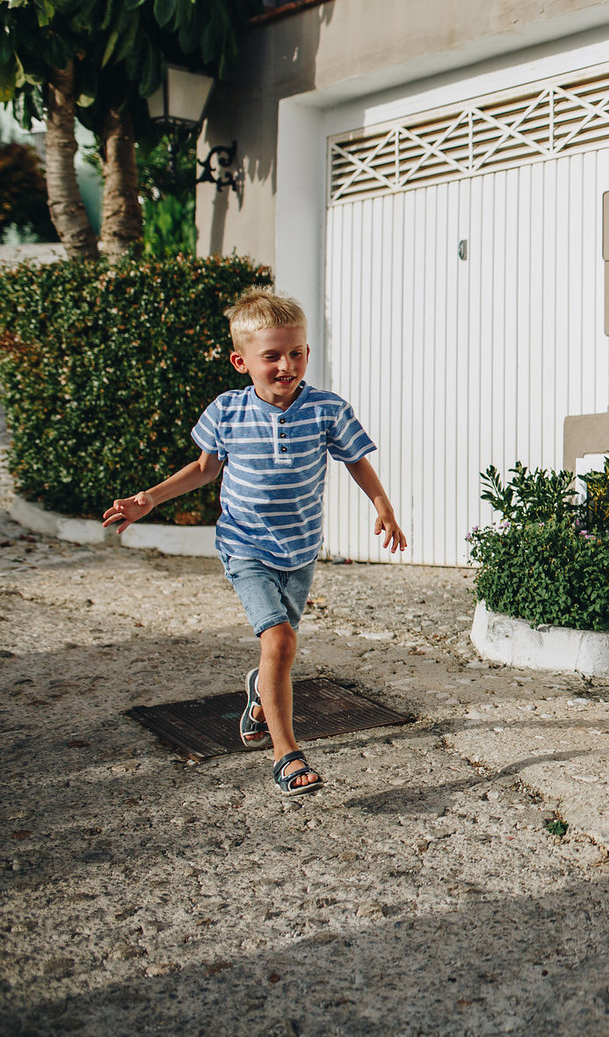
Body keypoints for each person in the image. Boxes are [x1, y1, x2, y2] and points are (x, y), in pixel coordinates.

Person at [104, 287, 406, 796]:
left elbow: (356, 458)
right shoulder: (227, 411)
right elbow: (203, 469)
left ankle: (260, 697)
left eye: (296, 353)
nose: (286, 365)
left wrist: (383, 505)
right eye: (272, 356)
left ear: (308, 353)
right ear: (242, 361)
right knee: (281, 641)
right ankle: (287, 754)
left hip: (300, 549)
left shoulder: (327, 409)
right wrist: (150, 498)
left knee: (278, 654)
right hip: (244, 546)